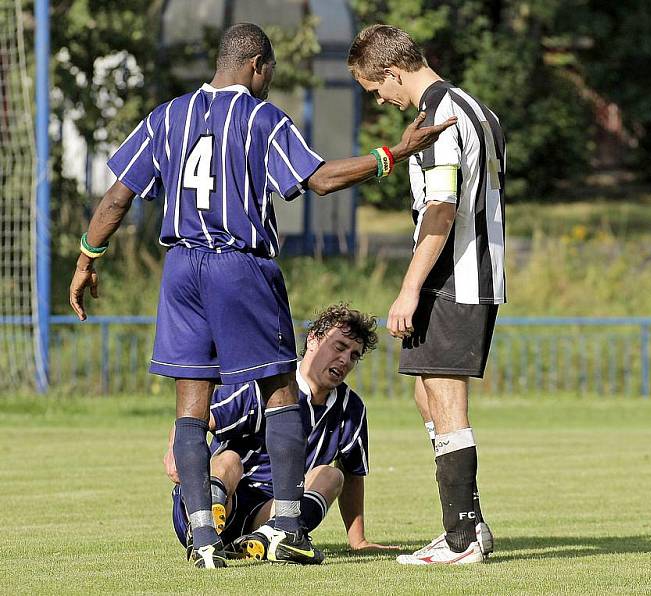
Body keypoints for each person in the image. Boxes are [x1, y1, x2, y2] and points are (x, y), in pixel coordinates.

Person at [68, 22, 456, 569]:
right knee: (280, 391)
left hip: (180, 268)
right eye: (270, 73)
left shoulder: (166, 116)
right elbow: (318, 179)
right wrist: (395, 151)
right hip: (238, 265)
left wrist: (87, 259)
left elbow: (115, 199)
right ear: (258, 66)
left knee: (189, 403)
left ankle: (203, 538)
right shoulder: (260, 118)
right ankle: (288, 527)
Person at [348, 25, 506, 565]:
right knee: (427, 396)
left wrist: (408, 290)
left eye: (376, 89)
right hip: (473, 273)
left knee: (444, 398)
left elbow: (441, 210)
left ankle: (462, 537)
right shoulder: (476, 107)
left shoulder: (439, 117)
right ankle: (469, 525)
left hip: (452, 277)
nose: (380, 99)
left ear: (393, 72)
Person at [165, 304, 397, 563]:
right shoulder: (264, 386)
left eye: (354, 355)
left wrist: (358, 540)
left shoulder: (350, 409)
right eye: (339, 347)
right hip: (218, 497)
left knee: (332, 475)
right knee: (229, 459)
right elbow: (195, 417)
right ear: (312, 339)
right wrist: (175, 452)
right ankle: (205, 530)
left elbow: (353, 474)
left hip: (269, 511)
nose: (345, 360)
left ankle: (268, 539)